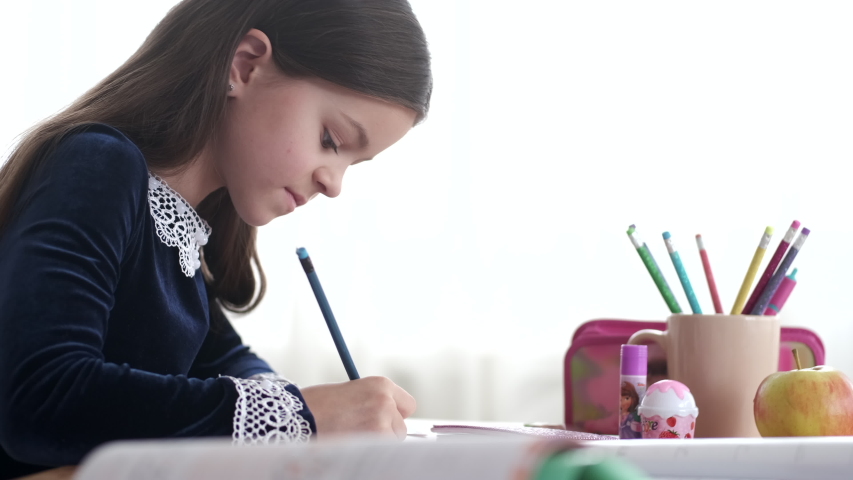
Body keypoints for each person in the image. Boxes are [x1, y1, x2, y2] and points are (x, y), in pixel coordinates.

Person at [0, 0, 432, 477]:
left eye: (354, 163)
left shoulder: (183, 229)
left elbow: (222, 358)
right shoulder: (101, 164)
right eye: (331, 139)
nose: (334, 184)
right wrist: (299, 415)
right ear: (245, 64)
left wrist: (300, 409)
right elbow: (40, 399)